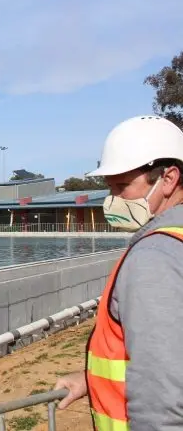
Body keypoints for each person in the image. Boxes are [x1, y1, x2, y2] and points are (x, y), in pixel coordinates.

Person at [54, 115, 183, 429]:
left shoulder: (154, 257)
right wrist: (92, 380)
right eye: (109, 188)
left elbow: (162, 399)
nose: (113, 201)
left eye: (122, 186)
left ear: (168, 179)